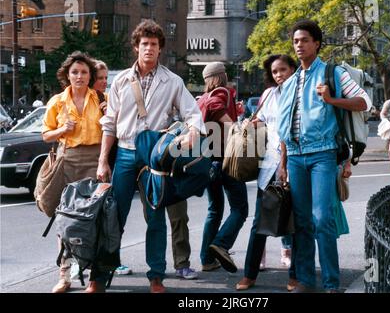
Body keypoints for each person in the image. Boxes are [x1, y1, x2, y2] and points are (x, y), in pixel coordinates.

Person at [96, 19, 205, 293]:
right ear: (136, 47)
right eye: (144, 43)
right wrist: (102, 161)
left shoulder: (173, 81)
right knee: (114, 217)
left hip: (155, 157)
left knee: (155, 217)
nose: (148, 48)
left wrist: (192, 131)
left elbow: (193, 112)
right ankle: (98, 278)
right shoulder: (121, 80)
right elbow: (109, 123)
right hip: (124, 154)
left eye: (154, 44)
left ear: (160, 49)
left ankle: (156, 276)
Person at [276, 19, 371, 293]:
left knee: (322, 219)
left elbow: (365, 102)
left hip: (322, 154)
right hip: (294, 157)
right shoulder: (290, 82)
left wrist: (331, 100)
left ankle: (330, 283)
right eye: (295, 41)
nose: (299, 45)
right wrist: (282, 164)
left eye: (304, 40)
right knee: (302, 222)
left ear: (316, 44)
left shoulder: (333, 74)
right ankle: (306, 281)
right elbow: (284, 129)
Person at [42, 51, 109, 293]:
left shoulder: (102, 98)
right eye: (75, 72)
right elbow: (45, 135)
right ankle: (65, 275)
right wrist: (61, 130)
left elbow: (114, 130)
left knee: (96, 219)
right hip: (67, 159)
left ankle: (95, 277)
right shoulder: (57, 101)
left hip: (95, 160)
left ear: (90, 75)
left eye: (84, 72)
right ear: (67, 75)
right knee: (66, 220)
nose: (79, 76)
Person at [235, 54, 297, 291]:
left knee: (295, 222)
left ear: (293, 69)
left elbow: (287, 131)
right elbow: (262, 120)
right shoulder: (270, 94)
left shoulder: (299, 94)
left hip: (293, 163)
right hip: (269, 164)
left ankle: (295, 276)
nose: (279, 75)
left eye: (283, 70)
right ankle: (249, 275)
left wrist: (285, 164)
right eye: (274, 72)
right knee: (259, 222)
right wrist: (251, 125)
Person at [197, 62, 249, 273]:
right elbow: (230, 127)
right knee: (240, 209)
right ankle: (221, 244)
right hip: (226, 161)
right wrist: (242, 126)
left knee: (215, 210)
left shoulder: (201, 99)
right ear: (221, 76)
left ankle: (207, 260)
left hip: (208, 162)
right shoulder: (220, 96)